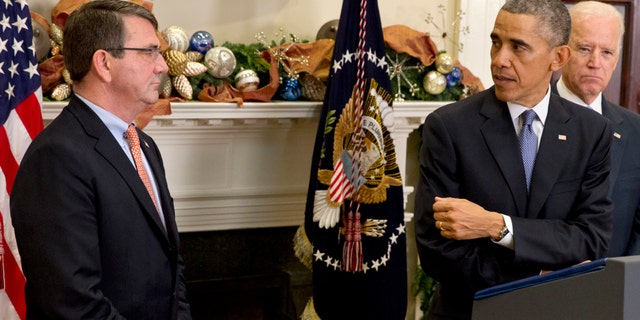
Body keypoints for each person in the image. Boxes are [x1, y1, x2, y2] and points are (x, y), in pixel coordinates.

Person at [414, 0, 613, 319]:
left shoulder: (592, 132)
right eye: (496, 42)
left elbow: (590, 240)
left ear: (558, 57)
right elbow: (438, 251)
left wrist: (496, 226)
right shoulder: (449, 127)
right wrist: (537, 277)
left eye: (518, 47)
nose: (500, 60)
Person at [10, 1, 192, 319]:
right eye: (149, 52)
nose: (163, 66)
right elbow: (72, 303)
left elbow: (172, 271)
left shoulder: (144, 145)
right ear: (104, 63)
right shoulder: (56, 158)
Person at [553, 1, 640, 257]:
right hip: (539, 286)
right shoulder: (531, 120)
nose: (595, 62)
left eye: (607, 52)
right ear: (561, 52)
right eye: (584, 48)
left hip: (613, 288)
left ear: (617, 59)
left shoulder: (636, 131)